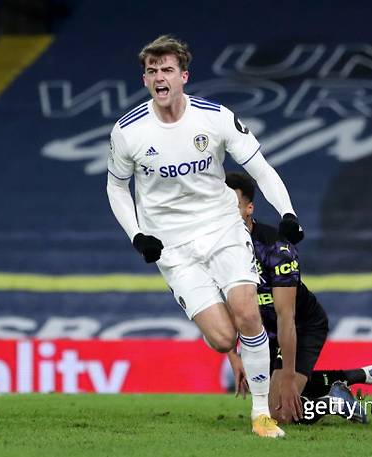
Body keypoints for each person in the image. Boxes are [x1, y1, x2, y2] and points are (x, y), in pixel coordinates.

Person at [106, 35, 305, 438]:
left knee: (248, 313)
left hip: (221, 228)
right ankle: (244, 351)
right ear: (145, 80)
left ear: (183, 76)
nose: (159, 78)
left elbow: (261, 168)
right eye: (152, 71)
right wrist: (138, 235)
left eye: (166, 70)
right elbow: (115, 188)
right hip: (172, 245)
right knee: (221, 338)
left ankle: (260, 415)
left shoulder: (214, 118)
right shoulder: (128, 132)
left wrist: (287, 212)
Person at [225, 172, 372, 425]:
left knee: (279, 412)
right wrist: (235, 357)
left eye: (233, 206)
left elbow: (287, 316)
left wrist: (287, 377)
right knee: (270, 393)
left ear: (249, 208)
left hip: (300, 326)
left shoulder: (276, 248)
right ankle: (362, 375)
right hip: (264, 332)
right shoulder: (217, 252)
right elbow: (225, 307)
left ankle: (333, 401)